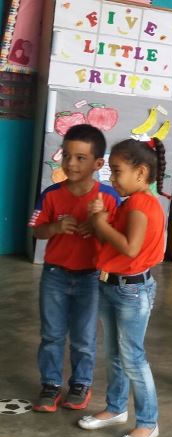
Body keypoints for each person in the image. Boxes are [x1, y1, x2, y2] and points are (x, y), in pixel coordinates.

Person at [78, 138, 167, 437]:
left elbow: (130, 247)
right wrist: (99, 222)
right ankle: (116, 408)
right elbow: (113, 238)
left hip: (131, 290)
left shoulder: (141, 204)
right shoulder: (130, 203)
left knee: (133, 358)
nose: (112, 178)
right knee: (115, 353)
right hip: (112, 284)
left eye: (117, 171)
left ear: (141, 173)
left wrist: (99, 222)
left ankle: (148, 422)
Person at [29, 125, 119, 412]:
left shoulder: (108, 198)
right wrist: (55, 227)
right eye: (66, 155)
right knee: (52, 334)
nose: (71, 163)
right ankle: (50, 384)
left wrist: (98, 225)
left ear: (98, 164)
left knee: (84, 337)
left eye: (81, 158)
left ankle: (81, 383)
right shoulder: (51, 194)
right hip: (54, 275)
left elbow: (118, 238)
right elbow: (36, 231)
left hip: (91, 277)